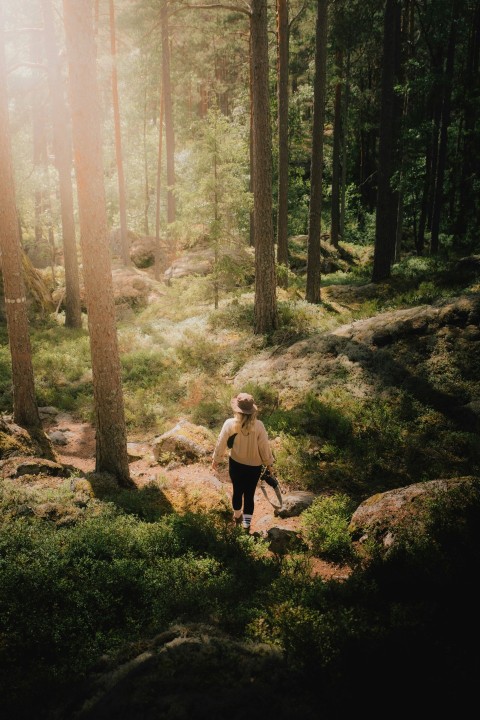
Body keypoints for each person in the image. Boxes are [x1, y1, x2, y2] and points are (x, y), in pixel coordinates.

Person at [211, 392, 275, 532]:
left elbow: (221, 442)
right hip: (254, 467)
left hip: (236, 464)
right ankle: (247, 524)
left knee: (237, 491)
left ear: (237, 409)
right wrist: (269, 464)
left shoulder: (229, 423)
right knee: (249, 495)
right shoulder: (259, 426)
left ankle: (237, 516)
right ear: (252, 410)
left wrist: (216, 459)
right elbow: (264, 447)